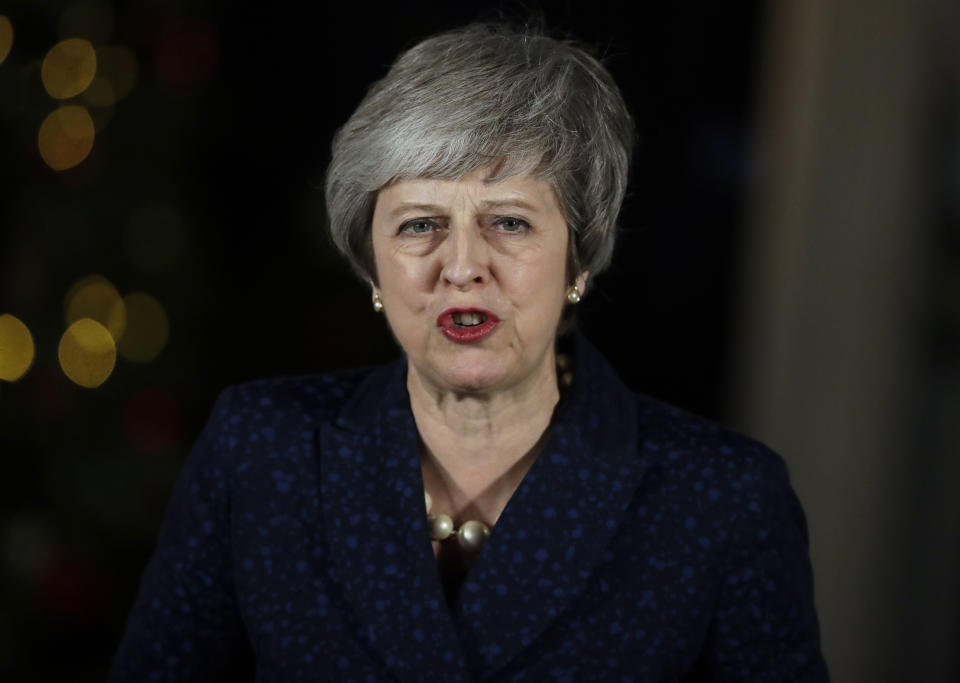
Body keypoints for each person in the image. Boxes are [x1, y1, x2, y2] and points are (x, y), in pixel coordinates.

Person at [109, 22, 828, 681]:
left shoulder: (724, 501)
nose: (461, 265)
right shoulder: (261, 450)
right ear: (372, 269)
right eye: (419, 224)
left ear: (579, 261)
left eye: (508, 222)